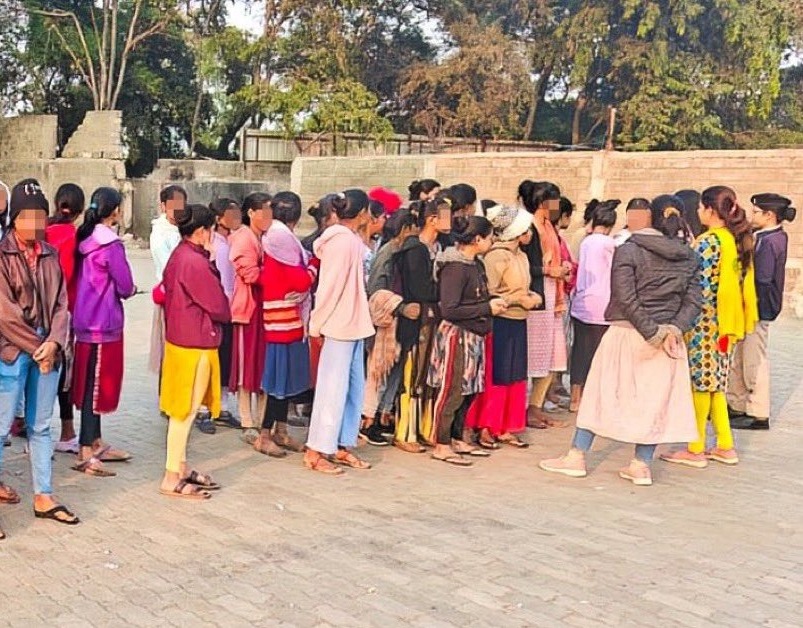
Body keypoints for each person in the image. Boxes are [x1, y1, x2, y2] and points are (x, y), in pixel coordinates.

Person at [540, 195, 702, 486]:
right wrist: (671, 329)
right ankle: (641, 463)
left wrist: (650, 330)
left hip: (627, 332)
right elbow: (694, 301)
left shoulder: (629, 249)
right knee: (654, 401)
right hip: (668, 338)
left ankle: (577, 455)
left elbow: (625, 297)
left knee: (600, 393)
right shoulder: (688, 255)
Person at [0, 179, 78, 536]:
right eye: (28, 216)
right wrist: (37, 347)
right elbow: (5, 314)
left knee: (40, 426)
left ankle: (43, 495)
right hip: (14, 353)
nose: (34, 223)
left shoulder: (50, 254)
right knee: (1, 430)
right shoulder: (2, 257)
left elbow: (62, 304)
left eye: (40, 216)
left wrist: (56, 343)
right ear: (14, 218)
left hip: (48, 352)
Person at [662, 186, 757, 468]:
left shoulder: (708, 242)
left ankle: (695, 447)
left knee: (701, 384)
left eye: (702, 207)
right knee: (716, 384)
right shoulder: (732, 239)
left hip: (704, 321)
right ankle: (725, 445)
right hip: (726, 322)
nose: (698, 212)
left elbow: (697, 287)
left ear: (711, 211)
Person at [159, 204, 231, 500]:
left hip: (182, 341)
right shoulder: (195, 262)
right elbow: (218, 305)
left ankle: (181, 466)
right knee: (185, 412)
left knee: (183, 409)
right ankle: (171, 476)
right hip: (195, 343)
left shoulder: (181, 255)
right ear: (202, 232)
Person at [304, 190, 375, 475]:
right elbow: (328, 288)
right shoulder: (341, 242)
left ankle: (341, 443)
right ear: (360, 213)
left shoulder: (351, 241)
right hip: (338, 325)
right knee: (332, 390)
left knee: (352, 389)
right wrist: (316, 325)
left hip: (354, 323)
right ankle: (316, 449)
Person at [427, 216, 507, 466]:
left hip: (475, 335)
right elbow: (449, 309)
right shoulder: (454, 267)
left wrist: (492, 303)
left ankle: (456, 436)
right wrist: (487, 307)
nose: (492, 241)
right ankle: (440, 442)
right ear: (477, 239)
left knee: (470, 389)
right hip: (457, 336)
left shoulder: (477, 265)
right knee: (451, 390)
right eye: (490, 236)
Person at [70, 187, 137, 476]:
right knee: (94, 387)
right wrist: (132, 290)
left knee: (88, 383)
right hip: (103, 321)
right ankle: (86, 449)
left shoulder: (84, 238)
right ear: (116, 211)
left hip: (84, 318)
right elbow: (125, 285)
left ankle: (94, 441)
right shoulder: (110, 245)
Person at [465, 206, 541, 449]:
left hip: (519, 321)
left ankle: (507, 426)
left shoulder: (522, 256)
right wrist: (518, 299)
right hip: (501, 320)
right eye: (526, 230)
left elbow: (518, 287)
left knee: (515, 375)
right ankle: (487, 425)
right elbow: (488, 293)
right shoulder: (496, 256)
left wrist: (530, 296)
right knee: (497, 375)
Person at [729, 193, 796, 430]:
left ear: (769, 215)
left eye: (757, 212)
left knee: (754, 360)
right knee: (740, 356)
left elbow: (763, 278)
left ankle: (758, 412)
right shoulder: (766, 237)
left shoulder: (770, 241)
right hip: (752, 307)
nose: (752, 215)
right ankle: (736, 404)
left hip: (759, 307)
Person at [256, 191, 314, 457]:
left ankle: (280, 430)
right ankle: (265, 434)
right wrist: (314, 267)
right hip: (282, 320)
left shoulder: (278, 236)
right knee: (278, 380)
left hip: (287, 318)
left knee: (286, 379)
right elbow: (299, 280)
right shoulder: (281, 238)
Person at [393, 198, 451, 452]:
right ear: (431, 219)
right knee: (411, 376)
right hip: (415, 323)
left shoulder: (438, 247)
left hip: (432, 320)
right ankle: (405, 432)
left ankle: (423, 428)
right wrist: (445, 288)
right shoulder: (415, 250)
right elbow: (419, 289)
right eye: (445, 216)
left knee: (427, 376)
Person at [360, 210, 419, 446]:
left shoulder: (400, 252)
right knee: (377, 373)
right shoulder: (388, 253)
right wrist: (397, 307)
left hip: (397, 319)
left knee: (392, 371)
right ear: (405, 229)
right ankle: (368, 420)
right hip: (385, 320)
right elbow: (376, 289)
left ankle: (381, 415)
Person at [519, 180, 569, 428]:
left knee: (553, 353)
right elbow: (525, 265)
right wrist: (551, 271)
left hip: (552, 294)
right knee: (532, 354)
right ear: (542, 202)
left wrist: (560, 271)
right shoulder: (528, 226)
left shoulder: (549, 226)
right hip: (536, 293)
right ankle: (523, 408)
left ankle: (536, 406)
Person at [229, 192, 273, 445]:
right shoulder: (244, 238)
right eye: (263, 212)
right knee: (247, 366)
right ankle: (247, 419)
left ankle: (260, 417)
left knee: (261, 365)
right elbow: (250, 274)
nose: (268, 217)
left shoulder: (263, 237)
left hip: (262, 309)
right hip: (248, 310)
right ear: (251, 213)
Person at [45, 183, 85, 454]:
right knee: (63, 374)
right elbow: (67, 277)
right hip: (62, 312)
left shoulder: (43, 231)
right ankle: (67, 430)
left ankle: (38, 430)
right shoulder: (73, 236)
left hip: (36, 312)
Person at [569, 200, 619, 412]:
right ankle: (593, 398)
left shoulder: (586, 242)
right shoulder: (611, 244)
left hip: (582, 301)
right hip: (604, 303)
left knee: (580, 350)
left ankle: (575, 397)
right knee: (599, 354)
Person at [209, 198, 241, 430]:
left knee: (225, 361)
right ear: (219, 219)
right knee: (216, 360)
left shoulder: (231, 242)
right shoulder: (218, 246)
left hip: (231, 309)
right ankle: (208, 408)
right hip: (222, 309)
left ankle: (222, 406)